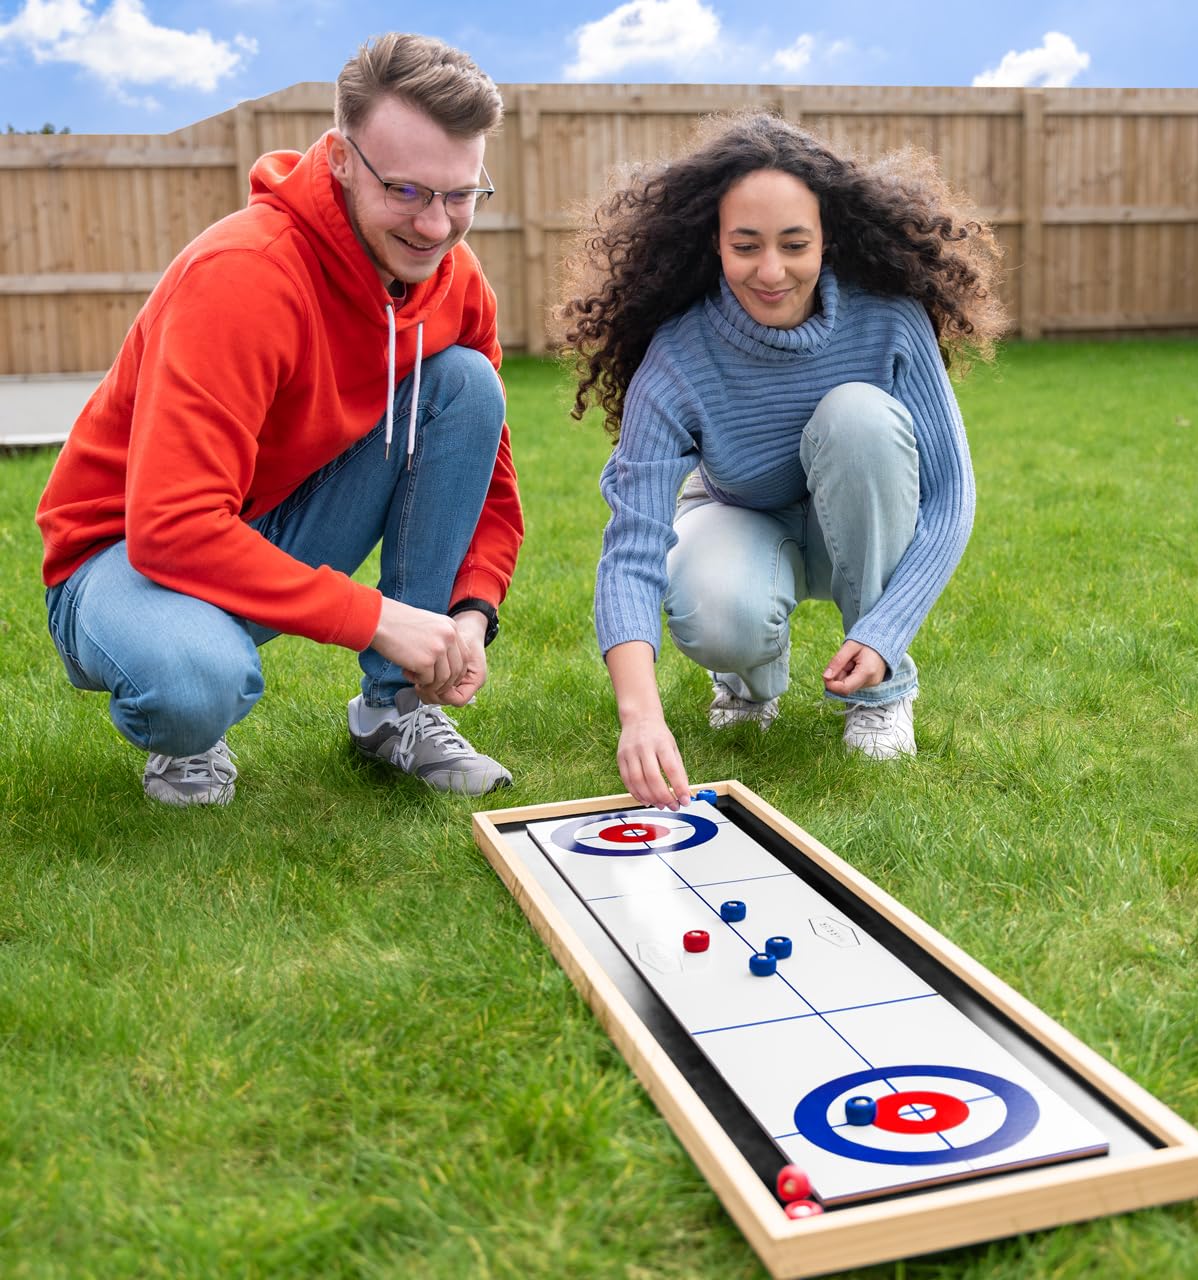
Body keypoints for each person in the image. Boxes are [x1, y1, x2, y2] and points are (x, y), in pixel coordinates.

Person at [36, 33, 523, 805]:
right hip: (120, 553)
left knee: (466, 383)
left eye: (459, 195)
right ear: (338, 159)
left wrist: (468, 612)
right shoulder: (245, 277)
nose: (435, 226)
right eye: (405, 190)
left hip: (271, 519)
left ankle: (395, 711)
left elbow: (492, 483)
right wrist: (376, 618)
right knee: (195, 683)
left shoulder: (454, 282)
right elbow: (171, 525)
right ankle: (186, 728)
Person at [561, 113, 1006, 810]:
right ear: (714, 244)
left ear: (829, 237)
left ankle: (880, 695)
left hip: (860, 522)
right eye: (746, 246)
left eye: (795, 244)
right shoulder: (679, 355)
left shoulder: (888, 317)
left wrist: (886, 634)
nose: (771, 271)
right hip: (739, 516)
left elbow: (950, 496)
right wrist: (639, 715)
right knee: (715, 610)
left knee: (857, 416)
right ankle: (748, 682)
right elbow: (633, 547)